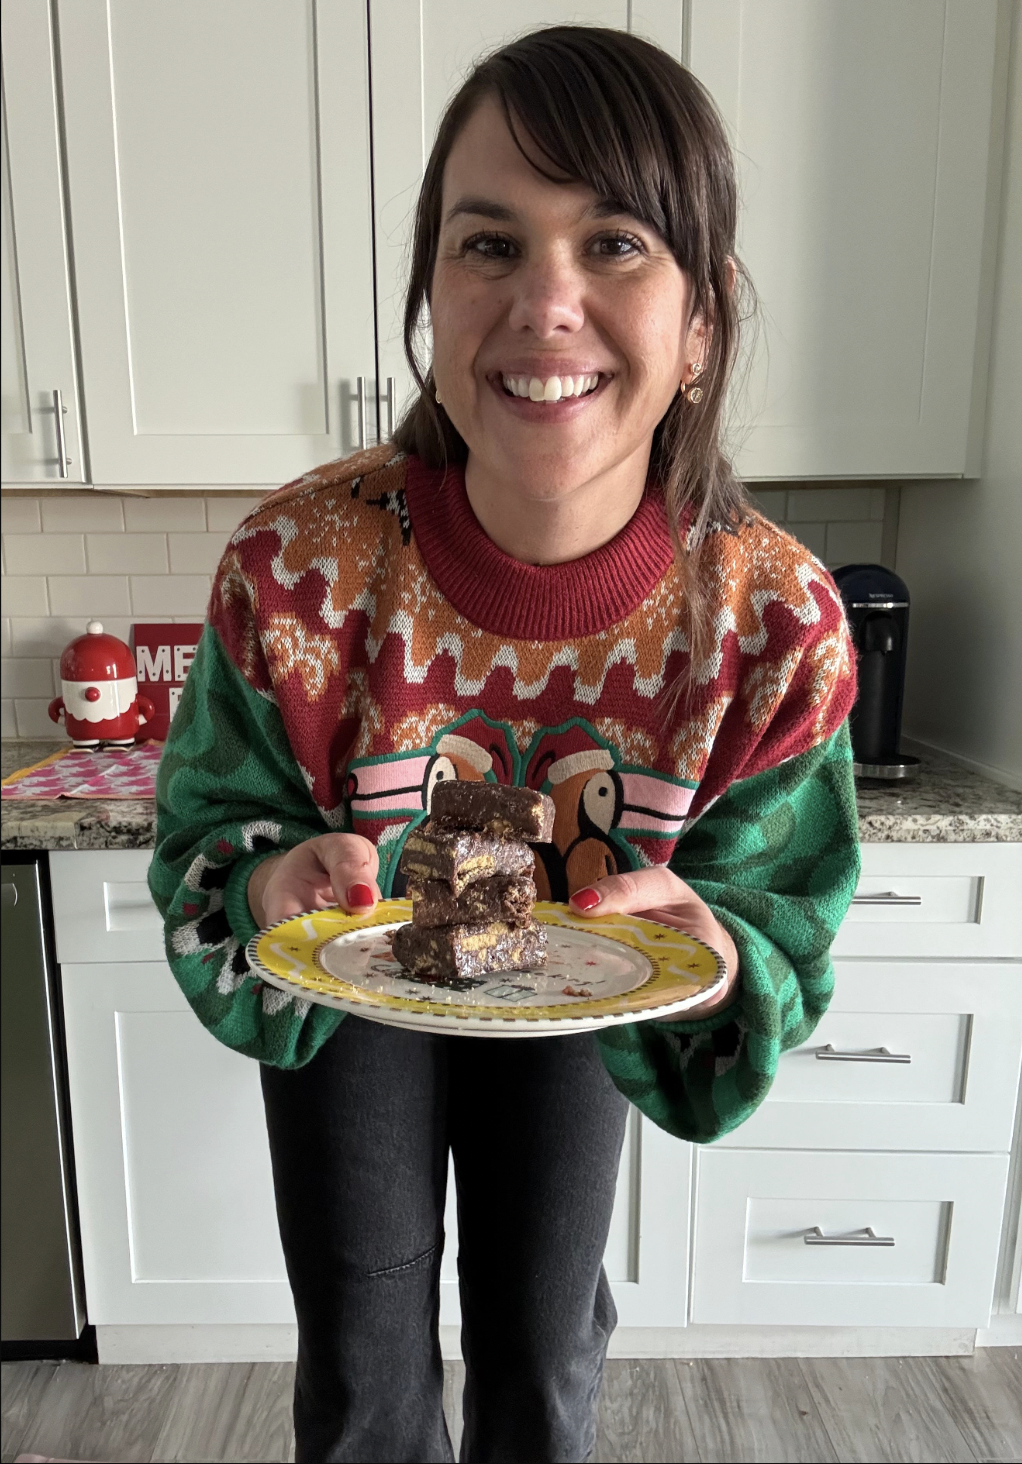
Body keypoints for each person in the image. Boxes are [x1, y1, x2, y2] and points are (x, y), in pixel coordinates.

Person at [150, 25, 859, 1464]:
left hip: (584, 992)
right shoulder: (297, 568)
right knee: (360, 1347)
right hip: (357, 990)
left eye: (612, 242)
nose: (545, 304)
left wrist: (707, 935)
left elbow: (779, 913)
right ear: (430, 288)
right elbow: (208, 831)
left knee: (542, 1347)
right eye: (488, 244)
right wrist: (271, 877)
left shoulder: (772, 622)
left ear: (702, 318)